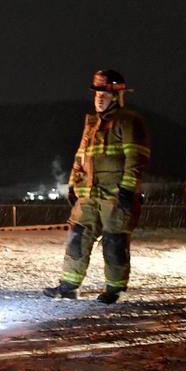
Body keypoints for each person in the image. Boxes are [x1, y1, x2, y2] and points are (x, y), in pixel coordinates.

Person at [44, 69, 150, 304]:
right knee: (77, 237)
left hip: (115, 196)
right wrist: (73, 184)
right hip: (89, 194)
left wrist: (127, 189)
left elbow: (137, 158)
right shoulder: (92, 123)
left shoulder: (129, 121)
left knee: (115, 242)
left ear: (118, 95)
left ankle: (115, 290)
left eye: (105, 92)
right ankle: (69, 286)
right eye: (97, 92)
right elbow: (80, 156)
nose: (99, 97)